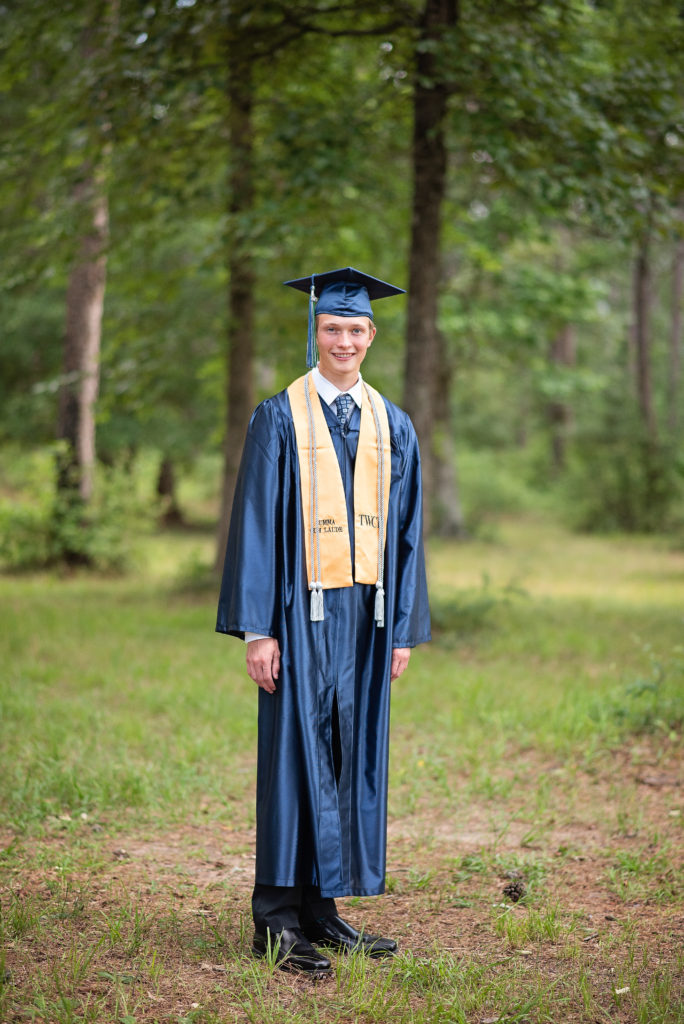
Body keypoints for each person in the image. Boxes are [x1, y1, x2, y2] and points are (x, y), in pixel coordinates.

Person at [216, 266, 430, 976]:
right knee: (293, 759)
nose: (344, 339)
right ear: (315, 331)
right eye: (332, 328)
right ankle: (276, 919)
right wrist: (258, 629)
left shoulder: (391, 424)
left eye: (356, 329)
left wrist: (401, 626)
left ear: (372, 336)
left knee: (343, 757)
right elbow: (253, 524)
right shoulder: (280, 416)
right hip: (297, 616)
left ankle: (320, 910)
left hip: (365, 622)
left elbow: (407, 533)